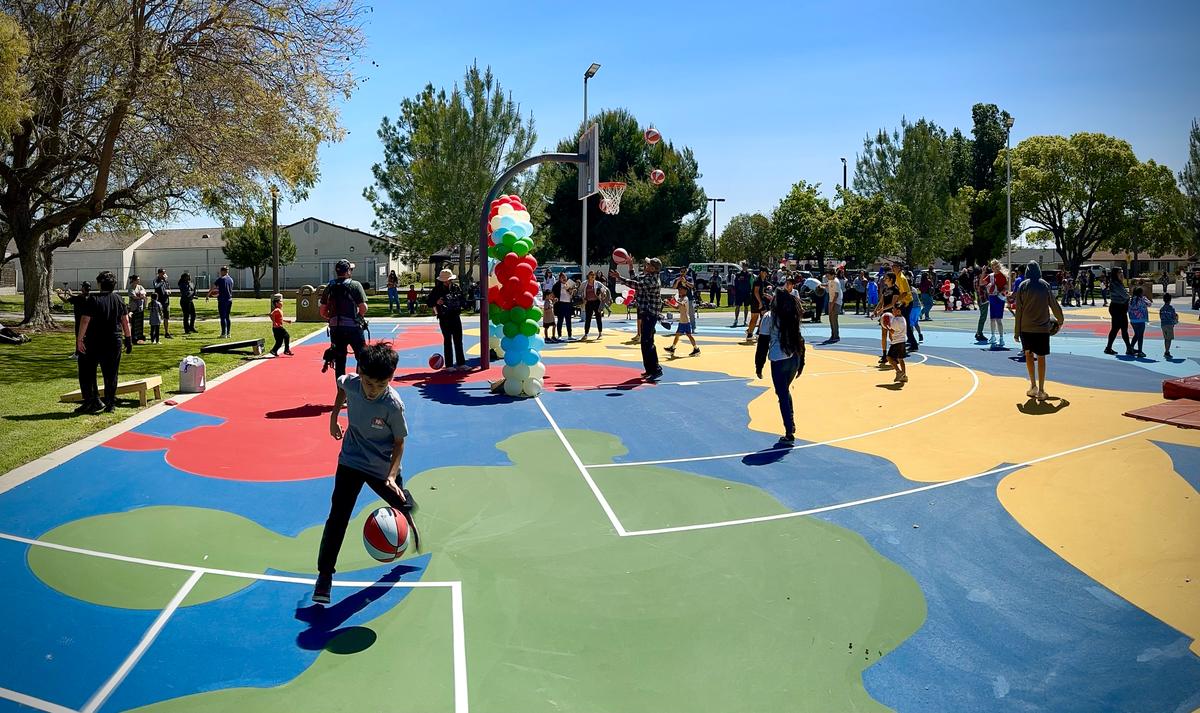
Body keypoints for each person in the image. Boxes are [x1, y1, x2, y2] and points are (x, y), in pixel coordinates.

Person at [313, 341, 418, 604]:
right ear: (360, 372)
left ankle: (405, 501)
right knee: (337, 517)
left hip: (382, 467)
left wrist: (392, 476)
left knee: (402, 504)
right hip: (351, 459)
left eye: (380, 385)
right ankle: (325, 575)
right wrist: (334, 416)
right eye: (369, 383)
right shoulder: (352, 383)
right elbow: (341, 386)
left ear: (390, 380)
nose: (373, 390)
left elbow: (399, 442)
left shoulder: (393, 405)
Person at [75, 270, 133, 414]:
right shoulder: (118, 299)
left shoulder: (92, 300)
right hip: (114, 340)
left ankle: (92, 400)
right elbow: (125, 321)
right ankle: (110, 403)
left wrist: (79, 339)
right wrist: (128, 339)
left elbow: (85, 320)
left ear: (100, 284)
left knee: (87, 372)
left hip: (94, 341)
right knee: (111, 373)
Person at [754, 290, 804, 443]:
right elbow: (800, 339)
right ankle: (791, 421)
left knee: (781, 394)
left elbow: (763, 343)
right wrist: (802, 362)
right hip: (794, 358)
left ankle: (789, 431)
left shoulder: (769, 317)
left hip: (779, 359)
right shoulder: (792, 315)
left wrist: (759, 365)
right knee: (784, 391)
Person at [1013, 262, 1064, 401]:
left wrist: (1016, 332)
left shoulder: (1023, 286)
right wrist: (1060, 319)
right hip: (1042, 328)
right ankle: (1041, 390)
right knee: (1041, 357)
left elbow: (1019, 311)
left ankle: (1033, 386)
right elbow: (1054, 304)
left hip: (1026, 328)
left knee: (1028, 355)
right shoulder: (1045, 285)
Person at [611, 257, 664, 381]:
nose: (646, 265)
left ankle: (656, 369)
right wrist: (630, 265)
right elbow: (636, 279)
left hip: (651, 313)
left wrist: (620, 278)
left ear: (654, 268)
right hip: (647, 312)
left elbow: (636, 285)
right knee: (645, 342)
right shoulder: (648, 276)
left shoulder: (653, 280)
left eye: (649, 264)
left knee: (648, 342)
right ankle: (650, 369)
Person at [321, 259, 369, 378]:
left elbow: (322, 311)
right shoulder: (355, 285)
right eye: (350, 269)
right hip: (353, 328)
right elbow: (363, 308)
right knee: (362, 358)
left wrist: (331, 318)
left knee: (340, 362)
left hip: (336, 329)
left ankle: (341, 393)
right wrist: (359, 317)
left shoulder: (329, 286)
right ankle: (360, 386)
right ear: (347, 271)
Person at [427, 268, 467, 370]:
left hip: (455, 316)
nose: (447, 281)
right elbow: (429, 302)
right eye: (445, 280)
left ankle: (461, 363)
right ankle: (449, 365)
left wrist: (464, 303)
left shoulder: (456, 288)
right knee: (448, 341)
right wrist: (437, 301)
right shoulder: (437, 289)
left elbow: (462, 300)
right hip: (444, 318)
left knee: (458, 340)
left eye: (449, 280)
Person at [56, 281, 91, 358]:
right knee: (87, 337)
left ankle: (78, 353)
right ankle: (86, 352)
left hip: (79, 320)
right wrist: (70, 294)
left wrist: (60, 295)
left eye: (82, 287)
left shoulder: (78, 298)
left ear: (84, 288)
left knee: (79, 337)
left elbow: (66, 300)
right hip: (89, 321)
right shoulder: (90, 297)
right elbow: (76, 297)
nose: (81, 288)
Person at [664, 283, 700, 357]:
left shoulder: (685, 298)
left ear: (685, 291)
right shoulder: (681, 298)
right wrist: (669, 304)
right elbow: (677, 307)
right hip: (682, 320)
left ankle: (696, 349)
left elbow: (683, 304)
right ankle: (673, 347)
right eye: (679, 290)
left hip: (685, 321)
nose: (679, 291)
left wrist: (675, 300)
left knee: (687, 335)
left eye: (681, 290)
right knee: (679, 334)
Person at [1103, 267, 1132, 356]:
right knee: (1121, 328)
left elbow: (1125, 295)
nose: (1122, 274)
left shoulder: (1118, 283)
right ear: (1115, 274)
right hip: (1117, 308)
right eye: (1120, 272)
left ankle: (1110, 348)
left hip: (1120, 308)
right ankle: (1128, 348)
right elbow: (1125, 295)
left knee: (1119, 329)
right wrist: (1128, 296)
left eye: (1122, 272)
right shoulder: (1115, 284)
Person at [874, 273, 899, 364]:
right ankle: (884, 355)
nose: (884, 279)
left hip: (892, 314)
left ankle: (894, 355)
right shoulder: (885, 289)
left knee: (892, 335)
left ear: (891, 279)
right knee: (883, 335)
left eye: (886, 278)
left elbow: (893, 304)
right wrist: (875, 311)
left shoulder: (895, 289)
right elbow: (881, 301)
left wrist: (881, 309)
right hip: (885, 314)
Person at [892, 263, 918, 351]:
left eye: (895, 267)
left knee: (905, 323)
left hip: (906, 302)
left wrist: (896, 301)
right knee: (904, 323)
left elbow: (905, 293)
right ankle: (910, 341)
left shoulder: (902, 278)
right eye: (892, 267)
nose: (893, 268)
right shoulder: (897, 277)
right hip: (903, 302)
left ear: (899, 268)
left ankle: (913, 344)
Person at [882, 301, 908, 383]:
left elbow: (892, 332)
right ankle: (904, 375)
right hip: (903, 341)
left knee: (889, 358)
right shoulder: (903, 319)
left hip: (896, 342)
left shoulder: (895, 321)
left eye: (894, 309)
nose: (892, 310)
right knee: (901, 359)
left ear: (898, 311)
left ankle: (898, 371)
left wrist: (887, 326)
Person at [985, 260, 1009, 349]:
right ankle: (993, 336)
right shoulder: (991, 276)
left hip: (999, 298)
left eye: (994, 266)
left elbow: (1006, 288)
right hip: (992, 297)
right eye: (992, 266)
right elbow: (982, 283)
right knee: (992, 319)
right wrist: (988, 286)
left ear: (997, 266)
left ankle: (1001, 338)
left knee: (998, 320)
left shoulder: (1002, 276)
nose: (993, 267)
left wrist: (1000, 292)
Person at [580, 270, 609, 340]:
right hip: (588, 302)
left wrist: (603, 294)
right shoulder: (584, 283)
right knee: (588, 319)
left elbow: (604, 289)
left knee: (598, 317)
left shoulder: (597, 283)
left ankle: (600, 333)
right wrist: (583, 298)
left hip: (596, 302)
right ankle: (586, 334)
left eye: (594, 275)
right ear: (588, 276)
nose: (592, 276)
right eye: (591, 275)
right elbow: (580, 291)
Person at [208, 266, 235, 338]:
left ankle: (223, 334)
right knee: (227, 317)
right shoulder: (231, 280)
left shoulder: (220, 279)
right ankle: (228, 333)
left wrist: (208, 295)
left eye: (221, 271)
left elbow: (213, 287)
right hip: (229, 299)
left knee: (222, 317)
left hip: (222, 300)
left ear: (223, 271)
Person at [551, 271, 576, 341]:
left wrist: (572, 291)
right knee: (560, 321)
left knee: (569, 320)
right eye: (562, 277)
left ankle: (570, 335)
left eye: (565, 277)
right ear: (559, 278)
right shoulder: (556, 285)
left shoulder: (569, 284)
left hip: (568, 304)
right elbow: (553, 294)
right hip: (560, 304)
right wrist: (554, 299)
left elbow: (572, 295)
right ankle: (559, 335)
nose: (564, 279)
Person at [1127, 286, 1151, 359]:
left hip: (1133, 320)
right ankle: (1140, 351)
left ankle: (1130, 348)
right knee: (1140, 336)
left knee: (1136, 334)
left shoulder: (1131, 300)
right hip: (1141, 319)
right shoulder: (1143, 299)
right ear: (1141, 293)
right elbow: (1149, 304)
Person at [746, 268, 768, 341]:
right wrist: (760, 303)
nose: (766, 274)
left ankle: (752, 332)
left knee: (762, 317)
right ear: (761, 272)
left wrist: (764, 294)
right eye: (765, 273)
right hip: (756, 302)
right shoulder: (758, 280)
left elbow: (759, 292)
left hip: (757, 301)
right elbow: (756, 292)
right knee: (756, 318)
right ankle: (750, 333)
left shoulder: (761, 280)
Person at [152, 268, 173, 338]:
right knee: (157, 317)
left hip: (166, 301)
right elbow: (156, 286)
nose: (164, 274)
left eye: (165, 273)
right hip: (158, 301)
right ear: (159, 273)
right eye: (163, 273)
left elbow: (169, 288)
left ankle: (167, 332)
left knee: (166, 317)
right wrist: (162, 281)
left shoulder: (166, 280)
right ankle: (154, 332)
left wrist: (169, 291)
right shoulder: (156, 280)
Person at [731, 263, 751, 328]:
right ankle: (736, 320)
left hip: (747, 293)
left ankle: (745, 321)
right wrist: (735, 290)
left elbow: (751, 283)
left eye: (746, 266)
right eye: (744, 266)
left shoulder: (749, 275)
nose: (745, 267)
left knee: (746, 307)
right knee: (737, 306)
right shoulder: (738, 274)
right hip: (739, 293)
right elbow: (735, 283)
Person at [127, 274, 147, 343]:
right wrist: (141, 297)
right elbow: (134, 297)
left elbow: (144, 293)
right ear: (134, 280)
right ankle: (133, 336)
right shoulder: (131, 288)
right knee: (134, 322)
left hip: (140, 307)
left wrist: (142, 295)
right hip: (134, 308)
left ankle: (139, 335)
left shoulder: (140, 287)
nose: (139, 280)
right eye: (137, 279)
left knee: (140, 322)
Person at [825, 269, 842, 342]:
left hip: (836, 302)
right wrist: (820, 285)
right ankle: (833, 334)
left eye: (828, 275)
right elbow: (827, 285)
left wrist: (831, 305)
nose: (827, 277)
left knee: (834, 319)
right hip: (831, 301)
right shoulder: (830, 281)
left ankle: (836, 335)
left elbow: (836, 295)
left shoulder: (836, 282)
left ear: (832, 275)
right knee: (831, 319)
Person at [1160, 293, 1178, 360]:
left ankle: (1166, 350)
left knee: (1166, 338)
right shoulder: (1171, 308)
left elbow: (1160, 317)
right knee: (1169, 339)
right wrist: (1175, 320)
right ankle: (1167, 352)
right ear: (1170, 300)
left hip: (1163, 325)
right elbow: (1174, 317)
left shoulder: (1162, 309)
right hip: (1169, 325)